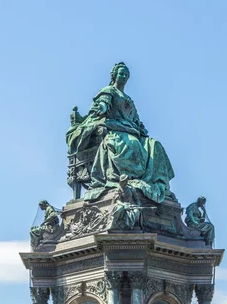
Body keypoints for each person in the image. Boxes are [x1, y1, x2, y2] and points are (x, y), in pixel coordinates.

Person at [67, 62, 174, 204]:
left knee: (155, 145)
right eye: (121, 73)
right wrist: (102, 108)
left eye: (126, 74)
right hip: (114, 129)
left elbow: (135, 119)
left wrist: (140, 127)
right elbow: (102, 105)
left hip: (131, 130)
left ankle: (158, 184)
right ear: (115, 75)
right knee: (132, 143)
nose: (123, 76)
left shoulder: (129, 99)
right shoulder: (108, 91)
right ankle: (128, 180)